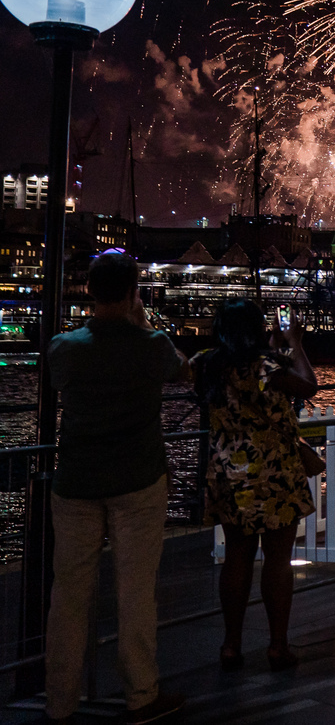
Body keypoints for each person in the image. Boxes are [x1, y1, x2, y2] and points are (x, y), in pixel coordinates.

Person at [45, 251, 190, 724]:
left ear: (88, 291)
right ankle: (140, 694)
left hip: (76, 481)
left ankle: (60, 702)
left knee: (68, 595)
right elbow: (182, 370)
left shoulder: (64, 347)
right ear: (134, 293)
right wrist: (142, 321)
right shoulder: (152, 344)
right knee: (135, 592)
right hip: (138, 481)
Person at [193, 300, 319, 672]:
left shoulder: (206, 363)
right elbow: (308, 386)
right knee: (277, 560)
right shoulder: (264, 367)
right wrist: (294, 343)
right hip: (273, 472)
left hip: (228, 471)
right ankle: (277, 645)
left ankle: (231, 644)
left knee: (236, 557)